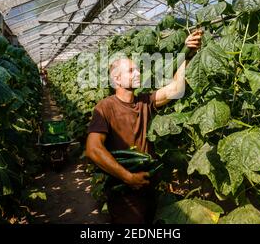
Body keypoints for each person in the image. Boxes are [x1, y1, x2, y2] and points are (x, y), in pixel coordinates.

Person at [85, 29, 203, 224]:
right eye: (131, 71)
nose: (139, 72)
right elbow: (93, 149)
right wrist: (128, 177)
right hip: (125, 193)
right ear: (117, 80)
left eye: (138, 69)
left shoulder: (144, 101)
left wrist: (187, 50)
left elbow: (176, 88)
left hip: (149, 186)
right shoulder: (105, 107)